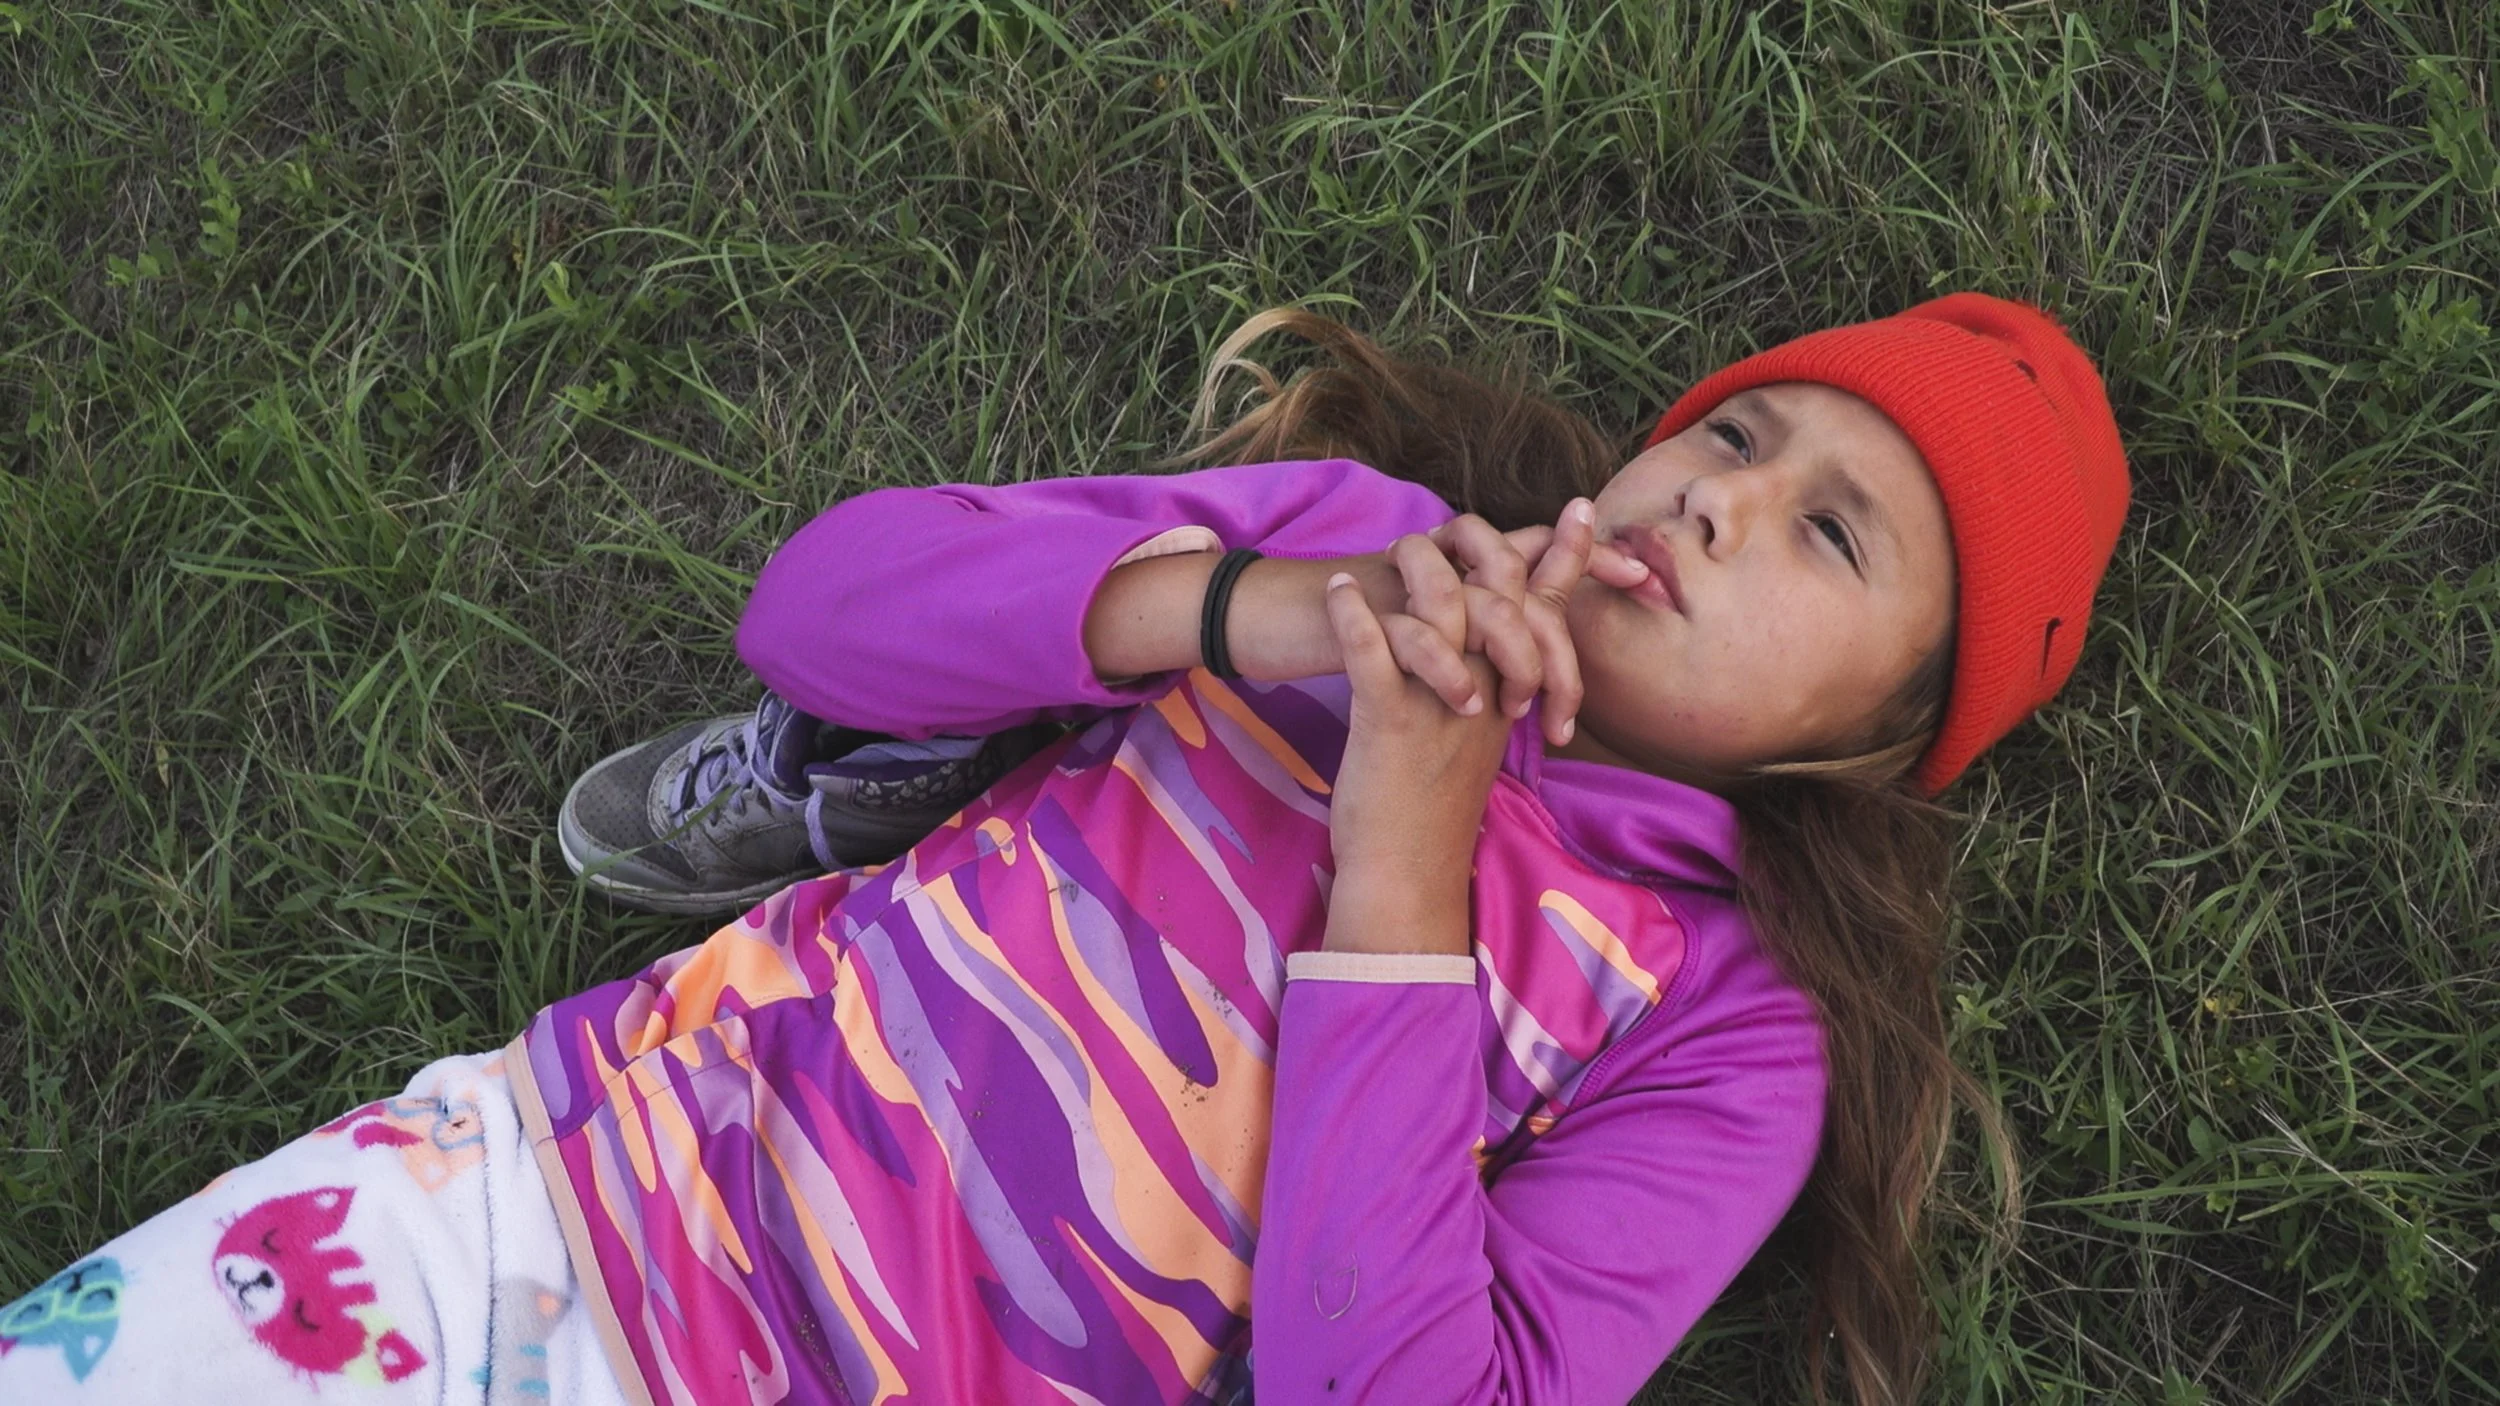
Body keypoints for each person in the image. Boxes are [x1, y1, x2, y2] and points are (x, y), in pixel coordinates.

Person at [0, 293, 2128, 1406]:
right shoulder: (1366, 545)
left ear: (1879, 738)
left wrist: (1401, 872)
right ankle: (874, 777)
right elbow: (812, 605)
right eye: (1734, 431)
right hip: (543, 1191)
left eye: (1827, 534)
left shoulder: (1729, 1028)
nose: (1716, 499)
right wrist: (1254, 611)